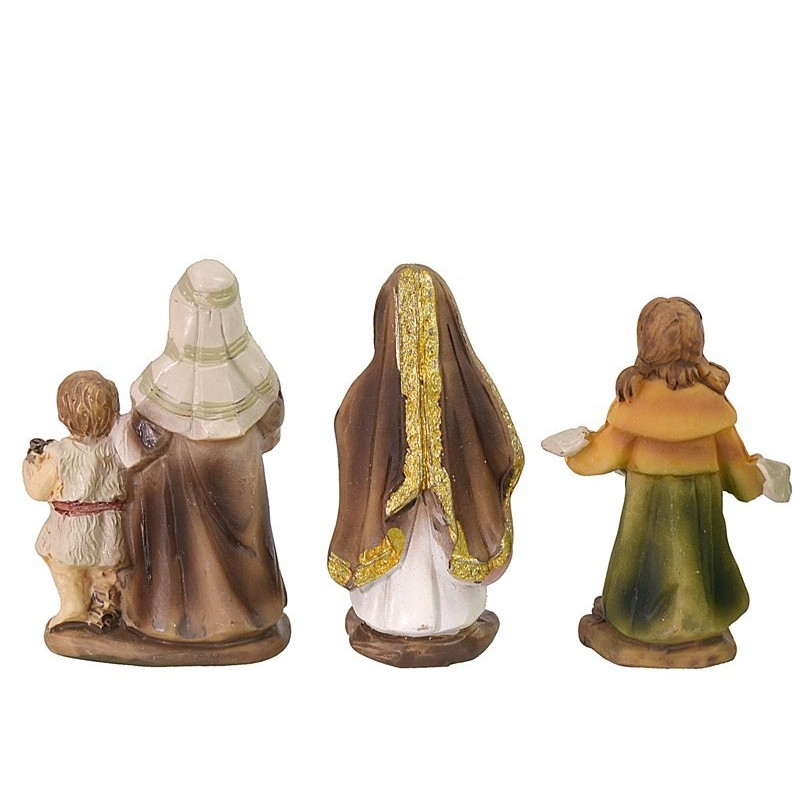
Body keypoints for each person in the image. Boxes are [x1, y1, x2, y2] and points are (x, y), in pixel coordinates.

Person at [545, 296, 790, 665]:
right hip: (700, 505)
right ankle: (700, 619)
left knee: (644, 564)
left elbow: (602, 454)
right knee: (699, 561)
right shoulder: (710, 404)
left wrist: (574, 451)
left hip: (649, 508)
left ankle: (643, 621)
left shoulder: (636, 402)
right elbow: (737, 467)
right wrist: (762, 478)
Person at [328, 265, 523, 660]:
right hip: (390, 547)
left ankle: (432, 611)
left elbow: (494, 446)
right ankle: (408, 613)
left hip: (446, 544)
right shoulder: (366, 398)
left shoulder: (464, 391)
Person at [116, 259, 287, 648]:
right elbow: (272, 426)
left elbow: (137, 447)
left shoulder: (163, 387)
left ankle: (178, 617)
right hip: (239, 478)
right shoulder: (257, 378)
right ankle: (249, 613)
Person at [24, 371, 126, 629]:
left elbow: (38, 490)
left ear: (64, 413)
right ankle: (104, 607)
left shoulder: (59, 453)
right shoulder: (116, 448)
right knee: (105, 573)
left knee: (66, 569)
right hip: (110, 527)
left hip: (72, 530)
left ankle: (75, 608)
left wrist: (32, 463)